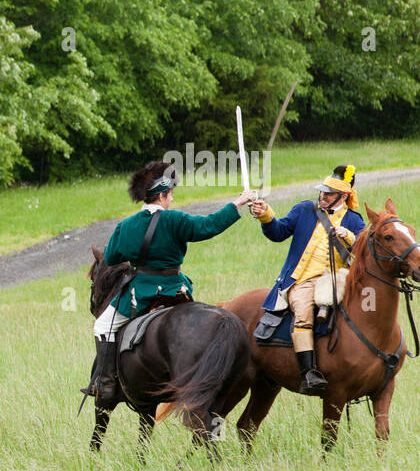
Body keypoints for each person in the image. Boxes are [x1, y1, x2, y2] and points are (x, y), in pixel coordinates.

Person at [85, 161, 255, 403]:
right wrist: (237, 203)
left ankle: (105, 383)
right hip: (177, 291)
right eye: (170, 195)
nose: (172, 200)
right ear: (162, 195)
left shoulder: (126, 225)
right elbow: (209, 226)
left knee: (102, 327)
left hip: (140, 294)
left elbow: (111, 258)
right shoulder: (176, 220)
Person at [250, 164, 365, 394]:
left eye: (329, 193)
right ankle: (308, 373)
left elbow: (364, 249)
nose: (322, 196)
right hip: (301, 281)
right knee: (303, 311)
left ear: (342, 196)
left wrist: (348, 236)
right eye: (322, 191)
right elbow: (278, 232)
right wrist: (265, 215)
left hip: (335, 279)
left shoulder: (353, 220)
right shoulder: (304, 210)